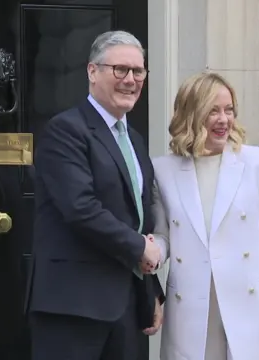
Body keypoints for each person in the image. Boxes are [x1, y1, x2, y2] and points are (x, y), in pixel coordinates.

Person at [26, 30, 165, 360]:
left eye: (138, 71)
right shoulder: (66, 130)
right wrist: (141, 248)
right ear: (92, 71)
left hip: (127, 307)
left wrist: (152, 288)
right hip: (73, 307)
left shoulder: (134, 139)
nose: (130, 80)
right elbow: (80, 208)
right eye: (120, 70)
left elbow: (137, 217)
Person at [151, 72, 259, 360]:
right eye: (213, 110)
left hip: (253, 308)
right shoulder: (162, 170)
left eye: (228, 110)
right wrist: (152, 249)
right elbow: (164, 235)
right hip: (193, 310)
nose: (224, 119)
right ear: (192, 114)